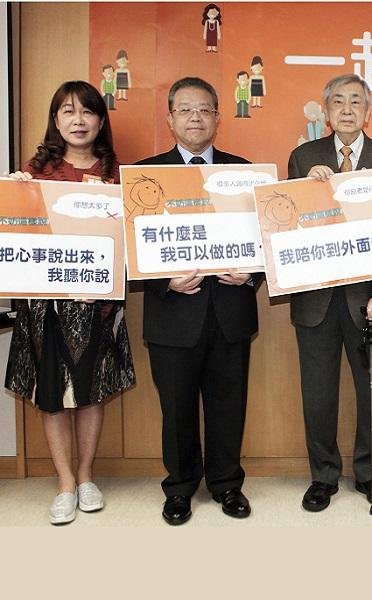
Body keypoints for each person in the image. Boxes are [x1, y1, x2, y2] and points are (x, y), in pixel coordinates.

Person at [4, 80, 135, 525]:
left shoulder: (119, 175)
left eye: (87, 111)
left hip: (97, 302)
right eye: (67, 111)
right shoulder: (34, 172)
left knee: (91, 391)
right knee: (52, 396)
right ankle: (63, 483)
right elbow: (18, 236)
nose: (78, 121)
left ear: (100, 120)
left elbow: (132, 241)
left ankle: (85, 477)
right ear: (56, 120)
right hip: (47, 305)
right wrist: (13, 193)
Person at [137, 77, 257, 525]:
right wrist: (163, 282)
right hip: (172, 317)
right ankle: (180, 488)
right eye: (185, 109)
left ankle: (227, 485)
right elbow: (131, 251)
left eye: (205, 109)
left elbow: (269, 239)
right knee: (177, 410)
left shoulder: (245, 174)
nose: (195, 117)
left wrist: (251, 275)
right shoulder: (145, 176)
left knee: (229, 405)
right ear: (170, 118)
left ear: (218, 118)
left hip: (230, 311)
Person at [287, 74, 372, 512]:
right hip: (315, 299)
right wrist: (306, 188)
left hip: (369, 301)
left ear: (368, 111)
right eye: (338, 101)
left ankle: (371, 474)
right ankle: (323, 476)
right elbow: (287, 225)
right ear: (326, 111)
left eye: (356, 102)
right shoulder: (304, 157)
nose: (347, 109)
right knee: (318, 395)